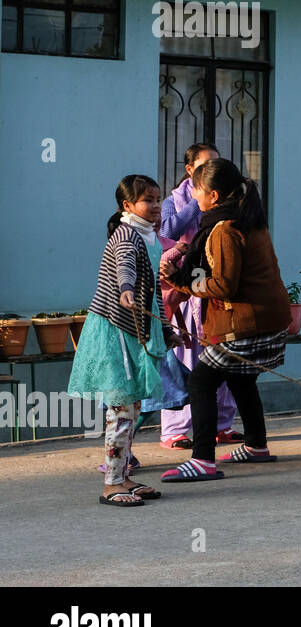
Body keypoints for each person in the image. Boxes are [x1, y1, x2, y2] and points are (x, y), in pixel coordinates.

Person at [160, 159, 291, 483]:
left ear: (214, 196)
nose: (196, 199)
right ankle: (257, 445)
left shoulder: (224, 229)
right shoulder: (249, 219)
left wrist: (181, 282)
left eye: (198, 192)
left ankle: (203, 459)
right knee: (240, 379)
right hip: (268, 321)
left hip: (247, 325)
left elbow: (223, 285)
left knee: (200, 381)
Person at [68, 175, 167, 506]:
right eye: (147, 200)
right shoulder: (127, 234)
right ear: (128, 206)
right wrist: (125, 289)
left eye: (157, 198)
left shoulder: (150, 237)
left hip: (136, 330)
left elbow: (154, 293)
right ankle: (111, 484)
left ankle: (123, 476)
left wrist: (167, 328)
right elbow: (126, 267)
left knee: (132, 407)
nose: (155, 205)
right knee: (121, 409)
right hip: (115, 331)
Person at [157, 142, 240, 450]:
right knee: (183, 356)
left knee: (219, 355)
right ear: (190, 170)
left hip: (215, 286)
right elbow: (168, 230)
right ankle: (175, 429)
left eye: (215, 167)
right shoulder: (173, 200)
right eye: (205, 167)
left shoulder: (227, 202)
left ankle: (221, 424)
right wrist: (197, 199)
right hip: (184, 289)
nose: (211, 174)